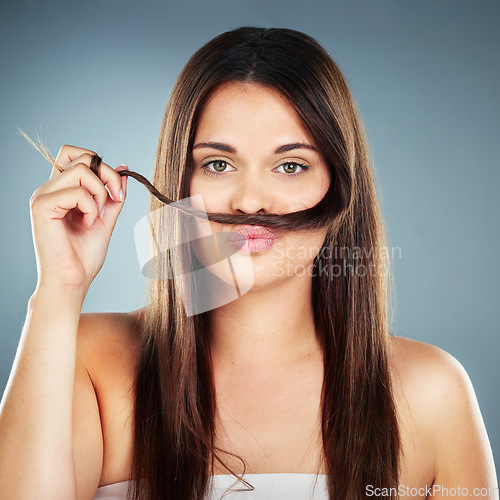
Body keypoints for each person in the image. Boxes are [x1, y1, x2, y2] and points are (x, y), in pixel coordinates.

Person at [0, 26, 497, 500]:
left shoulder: (433, 393)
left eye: (290, 166)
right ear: (178, 181)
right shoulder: (88, 361)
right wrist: (60, 287)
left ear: (341, 186)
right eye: (219, 163)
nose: (252, 201)